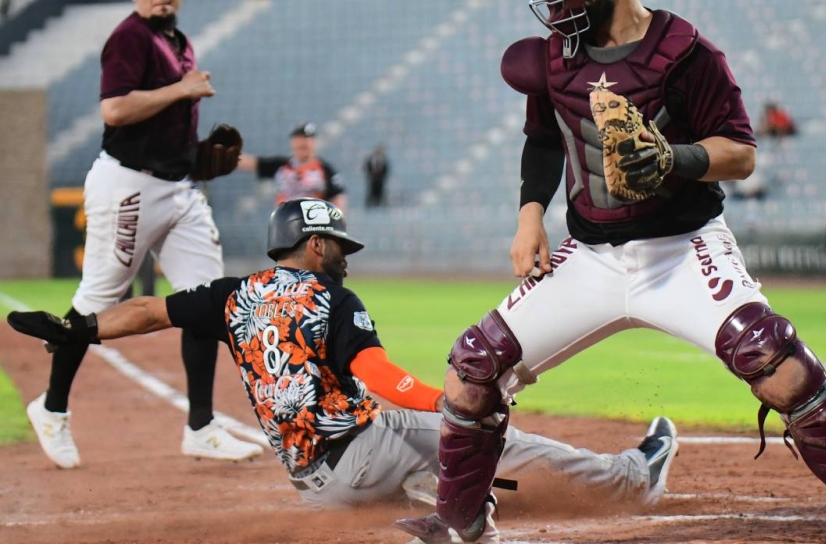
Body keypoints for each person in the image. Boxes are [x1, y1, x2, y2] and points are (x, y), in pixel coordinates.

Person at [395, 0, 826, 544]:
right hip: (590, 256)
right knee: (472, 370)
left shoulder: (687, 54)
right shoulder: (554, 58)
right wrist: (529, 217)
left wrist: (674, 158)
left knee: (778, 364)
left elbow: (741, 153)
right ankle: (459, 522)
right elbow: (542, 140)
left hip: (683, 249)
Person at [7, 199, 678, 536]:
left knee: (422, 449)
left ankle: (433, 492)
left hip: (313, 482)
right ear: (316, 243)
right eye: (339, 244)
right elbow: (383, 379)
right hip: (362, 453)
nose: (345, 255)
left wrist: (82, 327)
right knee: (495, 437)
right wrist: (456, 404)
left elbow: (151, 310)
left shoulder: (233, 295)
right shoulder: (332, 298)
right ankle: (631, 479)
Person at [24, 0, 261, 470]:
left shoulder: (177, 42)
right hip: (128, 186)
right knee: (97, 302)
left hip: (176, 189)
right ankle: (52, 408)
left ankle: (201, 426)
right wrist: (181, 89)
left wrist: (197, 161)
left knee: (205, 300)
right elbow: (114, 108)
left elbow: (169, 125)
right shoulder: (130, 37)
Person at [238, 122, 347, 209]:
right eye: (299, 137)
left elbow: (338, 198)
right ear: (293, 142)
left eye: (308, 138)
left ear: (314, 142)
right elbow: (251, 163)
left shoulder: (326, 170)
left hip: (315, 221)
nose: (304, 141)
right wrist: (228, 154)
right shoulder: (281, 166)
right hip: (286, 220)